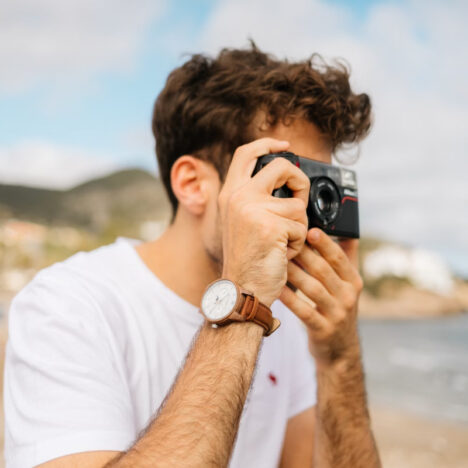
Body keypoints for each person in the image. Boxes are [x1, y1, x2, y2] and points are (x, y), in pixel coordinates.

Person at [4, 44, 381, 467]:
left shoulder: (287, 323)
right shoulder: (69, 306)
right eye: (286, 180)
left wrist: (339, 359)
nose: (304, 205)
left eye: (317, 184)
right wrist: (243, 297)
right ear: (192, 184)